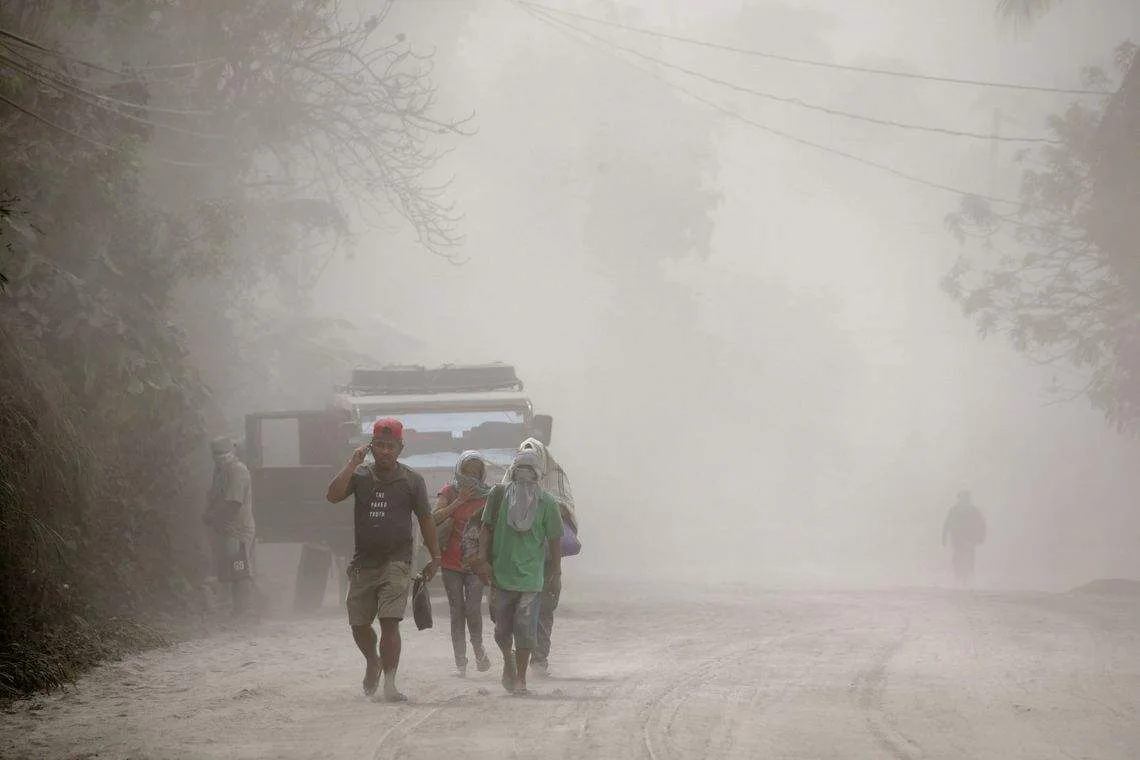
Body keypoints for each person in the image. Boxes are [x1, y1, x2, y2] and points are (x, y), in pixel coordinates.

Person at [325, 418, 442, 701]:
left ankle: (390, 684)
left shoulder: (412, 480)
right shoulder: (361, 475)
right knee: (359, 625)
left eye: (391, 446)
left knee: (390, 622)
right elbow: (333, 495)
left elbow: (426, 520)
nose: (385, 451)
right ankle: (372, 661)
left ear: (400, 448)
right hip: (364, 563)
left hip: (397, 562)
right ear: (371, 447)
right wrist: (352, 463)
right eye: (379, 445)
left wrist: (436, 556)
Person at [475, 450, 563, 695]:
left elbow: (555, 540)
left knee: (525, 630)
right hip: (501, 577)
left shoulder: (548, 503)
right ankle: (507, 660)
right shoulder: (498, 496)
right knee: (501, 631)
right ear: (512, 473)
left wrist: (556, 574)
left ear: (537, 476)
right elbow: (486, 528)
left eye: (530, 473)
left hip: (531, 580)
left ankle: (520, 679)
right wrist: (482, 559)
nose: (524, 478)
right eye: (520, 472)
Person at [503, 437, 578, 676]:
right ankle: (520, 659)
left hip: (543, 559)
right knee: (516, 611)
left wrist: (539, 501)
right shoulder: (505, 491)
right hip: (516, 560)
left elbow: (565, 509)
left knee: (544, 609)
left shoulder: (553, 481)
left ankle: (539, 659)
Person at [432, 450, 493, 677]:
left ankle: (479, 650)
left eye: (476, 473)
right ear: (459, 470)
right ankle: (460, 663)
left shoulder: (488, 496)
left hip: (475, 563)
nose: (471, 477)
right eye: (467, 472)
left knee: (473, 609)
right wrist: (459, 501)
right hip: (451, 564)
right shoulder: (448, 491)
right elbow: (434, 518)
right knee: (456, 611)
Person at [202, 436, 256, 618]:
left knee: (240, 570)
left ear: (231, 453)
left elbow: (233, 503)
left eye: (222, 454)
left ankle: (244, 611)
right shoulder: (220, 471)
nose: (219, 458)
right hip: (225, 529)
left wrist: (213, 517)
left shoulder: (237, 471)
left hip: (238, 529)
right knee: (231, 571)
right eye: (215, 454)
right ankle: (236, 610)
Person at [942, 490, 987, 587]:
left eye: (966, 497)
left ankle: (967, 579)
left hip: (969, 539)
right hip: (958, 539)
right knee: (959, 557)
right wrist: (944, 537)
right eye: (964, 497)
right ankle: (959, 578)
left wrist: (981, 537)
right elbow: (947, 523)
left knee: (968, 557)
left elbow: (981, 524)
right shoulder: (955, 510)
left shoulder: (972, 510)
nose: (965, 499)